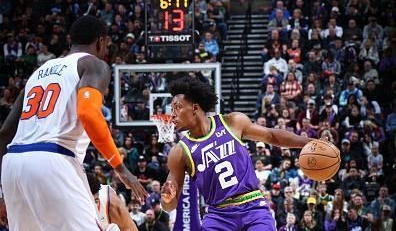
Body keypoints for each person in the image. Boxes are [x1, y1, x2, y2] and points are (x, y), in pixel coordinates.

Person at [0, 15, 148, 231]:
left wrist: (3, 191)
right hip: (53, 158)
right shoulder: (94, 64)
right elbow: (88, 113)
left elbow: (5, 132)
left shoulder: (38, 73)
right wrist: (121, 168)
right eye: (106, 45)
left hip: (13, 165)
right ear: (101, 41)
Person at [160, 76, 313, 231]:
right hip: (218, 216)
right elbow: (169, 205)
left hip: (253, 208)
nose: (172, 114)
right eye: (172, 109)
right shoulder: (179, 152)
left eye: (177, 107)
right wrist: (167, 197)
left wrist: (308, 143)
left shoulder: (232, 122)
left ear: (194, 108)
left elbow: (271, 136)